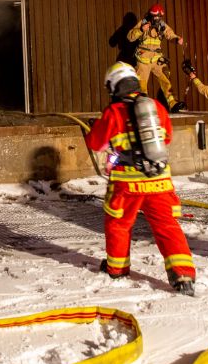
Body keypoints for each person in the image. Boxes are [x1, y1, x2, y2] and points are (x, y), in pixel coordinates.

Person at [84, 61, 196, 296]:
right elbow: (166, 138)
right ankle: (183, 275)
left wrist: (97, 129)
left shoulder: (114, 112)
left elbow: (96, 143)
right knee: (167, 226)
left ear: (113, 86)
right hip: (159, 181)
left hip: (127, 184)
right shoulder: (157, 107)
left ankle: (117, 269)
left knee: (119, 225)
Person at [126, 4, 186, 112]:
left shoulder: (161, 25)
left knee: (165, 80)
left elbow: (169, 34)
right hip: (143, 60)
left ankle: (172, 103)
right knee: (142, 85)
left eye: (159, 17)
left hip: (156, 59)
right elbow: (130, 37)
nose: (157, 19)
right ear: (150, 15)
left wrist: (177, 39)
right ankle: (143, 107)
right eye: (155, 17)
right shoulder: (143, 23)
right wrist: (140, 30)